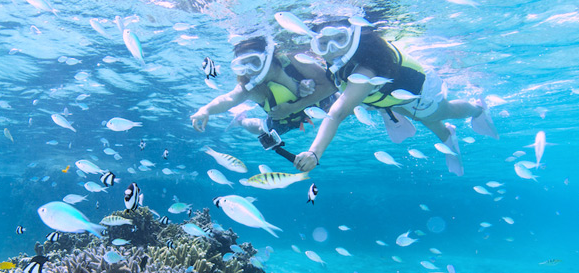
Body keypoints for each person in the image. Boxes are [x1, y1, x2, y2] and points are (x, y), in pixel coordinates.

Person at [292, 17, 498, 176]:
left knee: (437, 114)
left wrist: (314, 153)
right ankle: (445, 136)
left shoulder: (367, 69)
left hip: (419, 91)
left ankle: (477, 110)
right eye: (323, 43)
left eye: (340, 39)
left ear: (355, 36)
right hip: (388, 97)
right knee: (409, 112)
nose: (332, 49)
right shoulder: (339, 64)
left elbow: (337, 113)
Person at [190, 36, 337, 160]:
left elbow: (331, 86)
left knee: (343, 104)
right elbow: (228, 99)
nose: (249, 70)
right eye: (243, 65)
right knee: (262, 128)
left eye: (255, 62)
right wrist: (205, 110)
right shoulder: (250, 87)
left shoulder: (293, 60)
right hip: (283, 120)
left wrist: (293, 107)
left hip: (321, 105)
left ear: (268, 58)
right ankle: (241, 121)